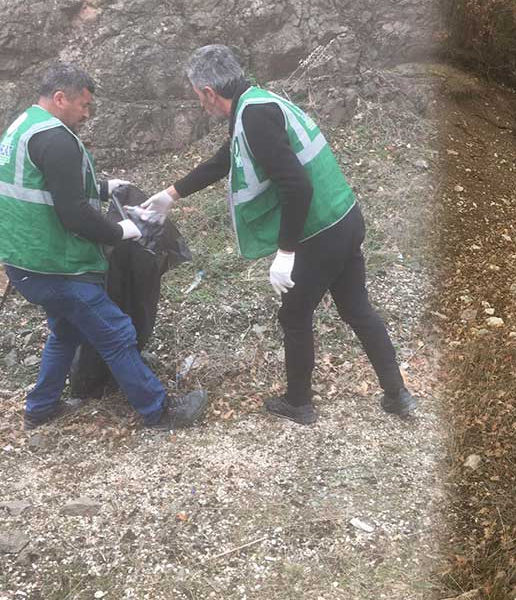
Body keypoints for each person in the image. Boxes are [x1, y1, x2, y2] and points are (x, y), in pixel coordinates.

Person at [140, 45, 418, 425]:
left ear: (207, 91)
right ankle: (397, 394)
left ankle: (299, 403)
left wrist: (285, 253)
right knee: (357, 309)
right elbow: (226, 158)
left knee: (295, 314)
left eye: (197, 97)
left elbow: (297, 188)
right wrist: (172, 195)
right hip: (345, 216)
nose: (200, 105)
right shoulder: (257, 102)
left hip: (320, 231)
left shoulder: (254, 116)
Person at [0, 63, 208, 430]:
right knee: (116, 333)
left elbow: (47, 185)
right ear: (60, 98)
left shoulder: (24, 126)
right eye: (83, 105)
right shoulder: (57, 139)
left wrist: (103, 188)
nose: (87, 113)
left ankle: (40, 408)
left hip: (23, 261)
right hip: (57, 264)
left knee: (66, 331)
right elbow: (74, 214)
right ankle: (159, 412)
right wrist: (123, 231)